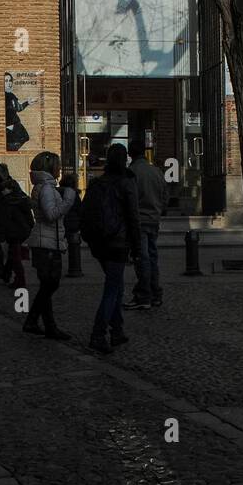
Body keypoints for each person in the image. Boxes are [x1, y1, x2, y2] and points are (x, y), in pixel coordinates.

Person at [80, 144, 141, 354]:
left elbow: (85, 211)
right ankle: (99, 333)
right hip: (118, 242)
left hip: (99, 242)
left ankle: (117, 330)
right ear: (124, 160)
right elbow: (133, 217)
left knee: (116, 285)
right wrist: (137, 247)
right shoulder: (127, 183)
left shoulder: (97, 183)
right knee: (112, 288)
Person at [23, 151, 75, 340]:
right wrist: (68, 200)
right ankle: (37, 322)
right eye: (58, 166)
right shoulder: (46, 188)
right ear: (50, 168)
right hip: (46, 243)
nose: (60, 170)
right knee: (50, 284)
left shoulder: (43, 186)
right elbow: (51, 214)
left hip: (46, 241)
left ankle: (43, 324)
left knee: (48, 285)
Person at [124, 140, 167, 310]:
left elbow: (127, 199)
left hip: (138, 221)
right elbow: (165, 195)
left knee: (142, 259)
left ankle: (144, 295)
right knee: (152, 257)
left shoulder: (132, 173)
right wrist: (158, 211)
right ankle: (155, 293)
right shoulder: (155, 171)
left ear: (130, 154)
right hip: (153, 219)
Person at [1, 175, 35, 288]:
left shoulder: (8, 201)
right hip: (23, 231)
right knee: (13, 255)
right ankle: (10, 275)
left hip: (14, 232)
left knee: (15, 258)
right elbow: (30, 218)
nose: (2, 191)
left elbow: (6, 219)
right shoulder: (23, 199)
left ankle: (20, 281)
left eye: (4, 189)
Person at [4, 73, 31, 152]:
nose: (9, 83)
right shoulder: (3, 96)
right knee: (11, 145)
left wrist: (28, 102)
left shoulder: (11, 95)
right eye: (6, 81)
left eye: (10, 80)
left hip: (16, 125)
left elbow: (18, 108)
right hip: (9, 127)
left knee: (25, 137)